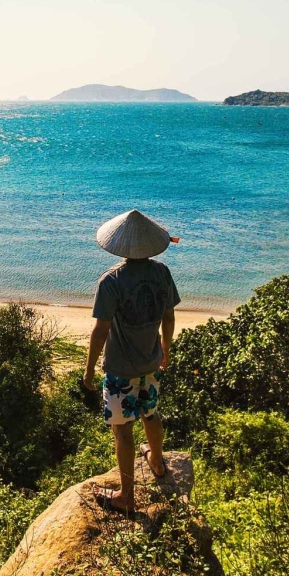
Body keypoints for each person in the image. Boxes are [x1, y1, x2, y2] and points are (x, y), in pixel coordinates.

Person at [81, 209, 180, 514]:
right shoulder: (162, 273)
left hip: (120, 369)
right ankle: (157, 461)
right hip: (151, 362)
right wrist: (166, 349)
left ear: (119, 246)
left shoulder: (111, 281)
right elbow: (169, 315)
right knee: (151, 414)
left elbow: (100, 331)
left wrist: (88, 371)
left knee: (123, 430)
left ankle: (126, 496)